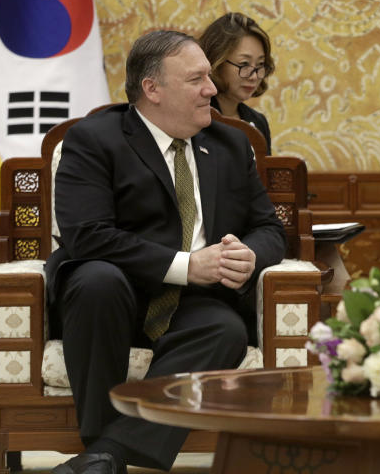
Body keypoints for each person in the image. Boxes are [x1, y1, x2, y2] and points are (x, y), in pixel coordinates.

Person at [48, 30, 286, 474]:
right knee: (96, 279)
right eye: (197, 79)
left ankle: (105, 455)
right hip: (113, 297)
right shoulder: (95, 140)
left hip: (194, 305)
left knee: (225, 330)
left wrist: (250, 255)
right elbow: (86, 236)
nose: (212, 90)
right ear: (152, 89)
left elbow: (269, 228)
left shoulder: (232, 146)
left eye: (210, 79)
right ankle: (103, 443)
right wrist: (186, 266)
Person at [198, 12, 276, 153]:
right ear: (216, 62)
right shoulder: (196, 118)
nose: (254, 76)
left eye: (260, 64)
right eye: (244, 64)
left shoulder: (258, 122)